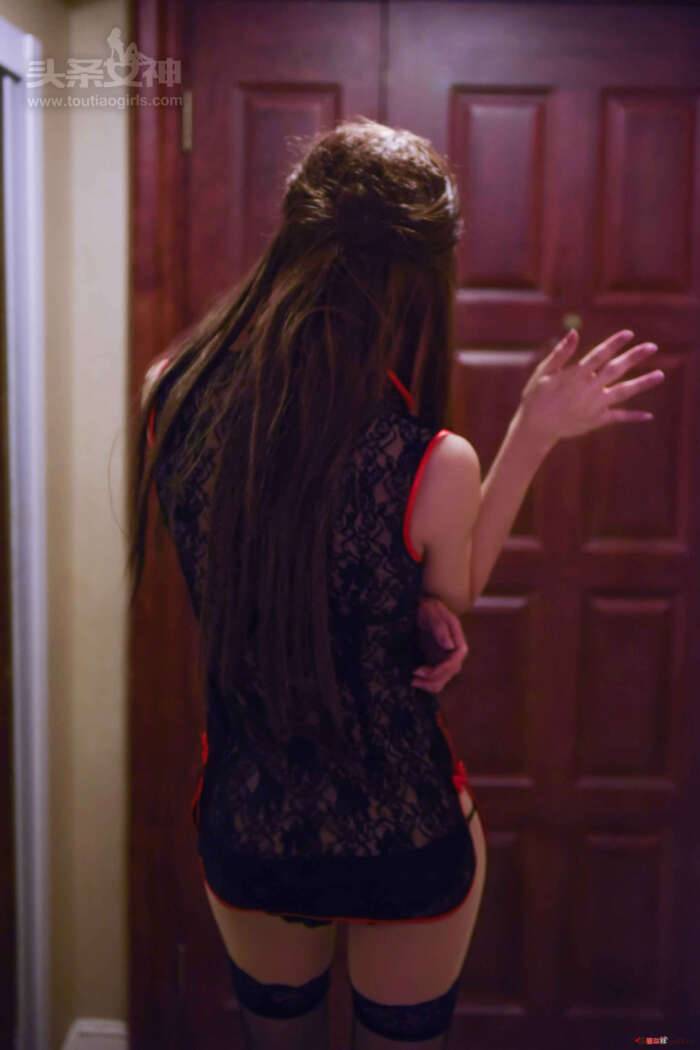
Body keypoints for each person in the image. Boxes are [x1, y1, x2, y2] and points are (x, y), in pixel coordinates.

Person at [128, 117, 665, 1050]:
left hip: (250, 822)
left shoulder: (170, 392)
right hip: (402, 829)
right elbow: (457, 591)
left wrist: (389, 595)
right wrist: (534, 433)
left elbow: (249, 558)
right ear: (416, 278)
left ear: (294, 233)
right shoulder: (432, 460)